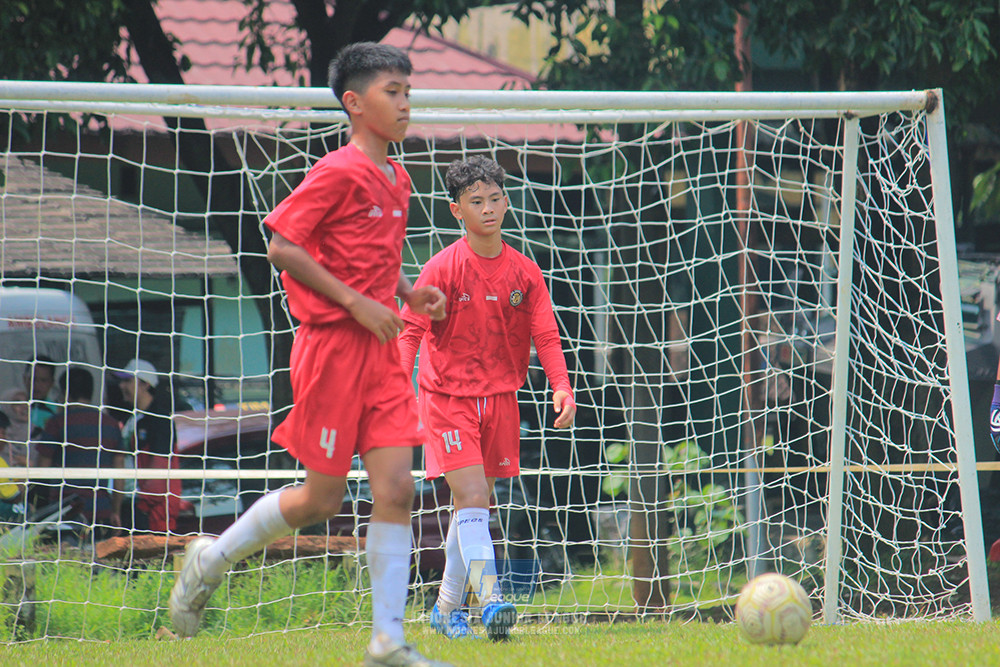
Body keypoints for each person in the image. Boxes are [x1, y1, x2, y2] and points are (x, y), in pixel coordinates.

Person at [168, 42, 449, 667]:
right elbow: (281, 247)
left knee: (397, 488)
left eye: (408, 92)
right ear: (354, 103)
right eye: (392, 92)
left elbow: (376, 258)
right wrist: (357, 304)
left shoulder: (398, 177)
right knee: (322, 501)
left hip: (382, 353)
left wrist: (408, 293)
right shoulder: (338, 170)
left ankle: (387, 641)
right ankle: (211, 558)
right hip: (332, 352)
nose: (405, 104)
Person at [397, 155, 577, 641]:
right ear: (457, 210)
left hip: (500, 399)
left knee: (472, 507)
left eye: (495, 198)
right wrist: (396, 387)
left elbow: (546, 335)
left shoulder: (525, 272)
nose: (488, 209)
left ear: (507, 201)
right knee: (474, 497)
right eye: (476, 202)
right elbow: (410, 332)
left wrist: (561, 386)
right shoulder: (442, 268)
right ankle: (493, 598)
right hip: (446, 398)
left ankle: (446, 609)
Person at [34, 367, 126, 539]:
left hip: (63, 512)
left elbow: (41, 471)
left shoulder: (57, 422)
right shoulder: (111, 424)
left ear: (64, 393)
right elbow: (120, 476)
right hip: (101, 511)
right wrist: (115, 511)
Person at [116, 358, 189, 534]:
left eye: (127, 381)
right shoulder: (132, 419)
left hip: (150, 514)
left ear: (145, 384)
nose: (121, 386)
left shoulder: (160, 420)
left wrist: (141, 506)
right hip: (133, 505)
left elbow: (160, 470)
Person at [24, 356, 59, 436]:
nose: (37, 385)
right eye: (33, 379)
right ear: (24, 379)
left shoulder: (57, 411)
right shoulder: (13, 408)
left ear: (52, 383)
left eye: (43, 380)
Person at [1, 387, 33, 466]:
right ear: (6, 406)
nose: (25, 407)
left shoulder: (36, 433)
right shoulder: (2, 433)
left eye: (27, 402)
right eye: (17, 403)